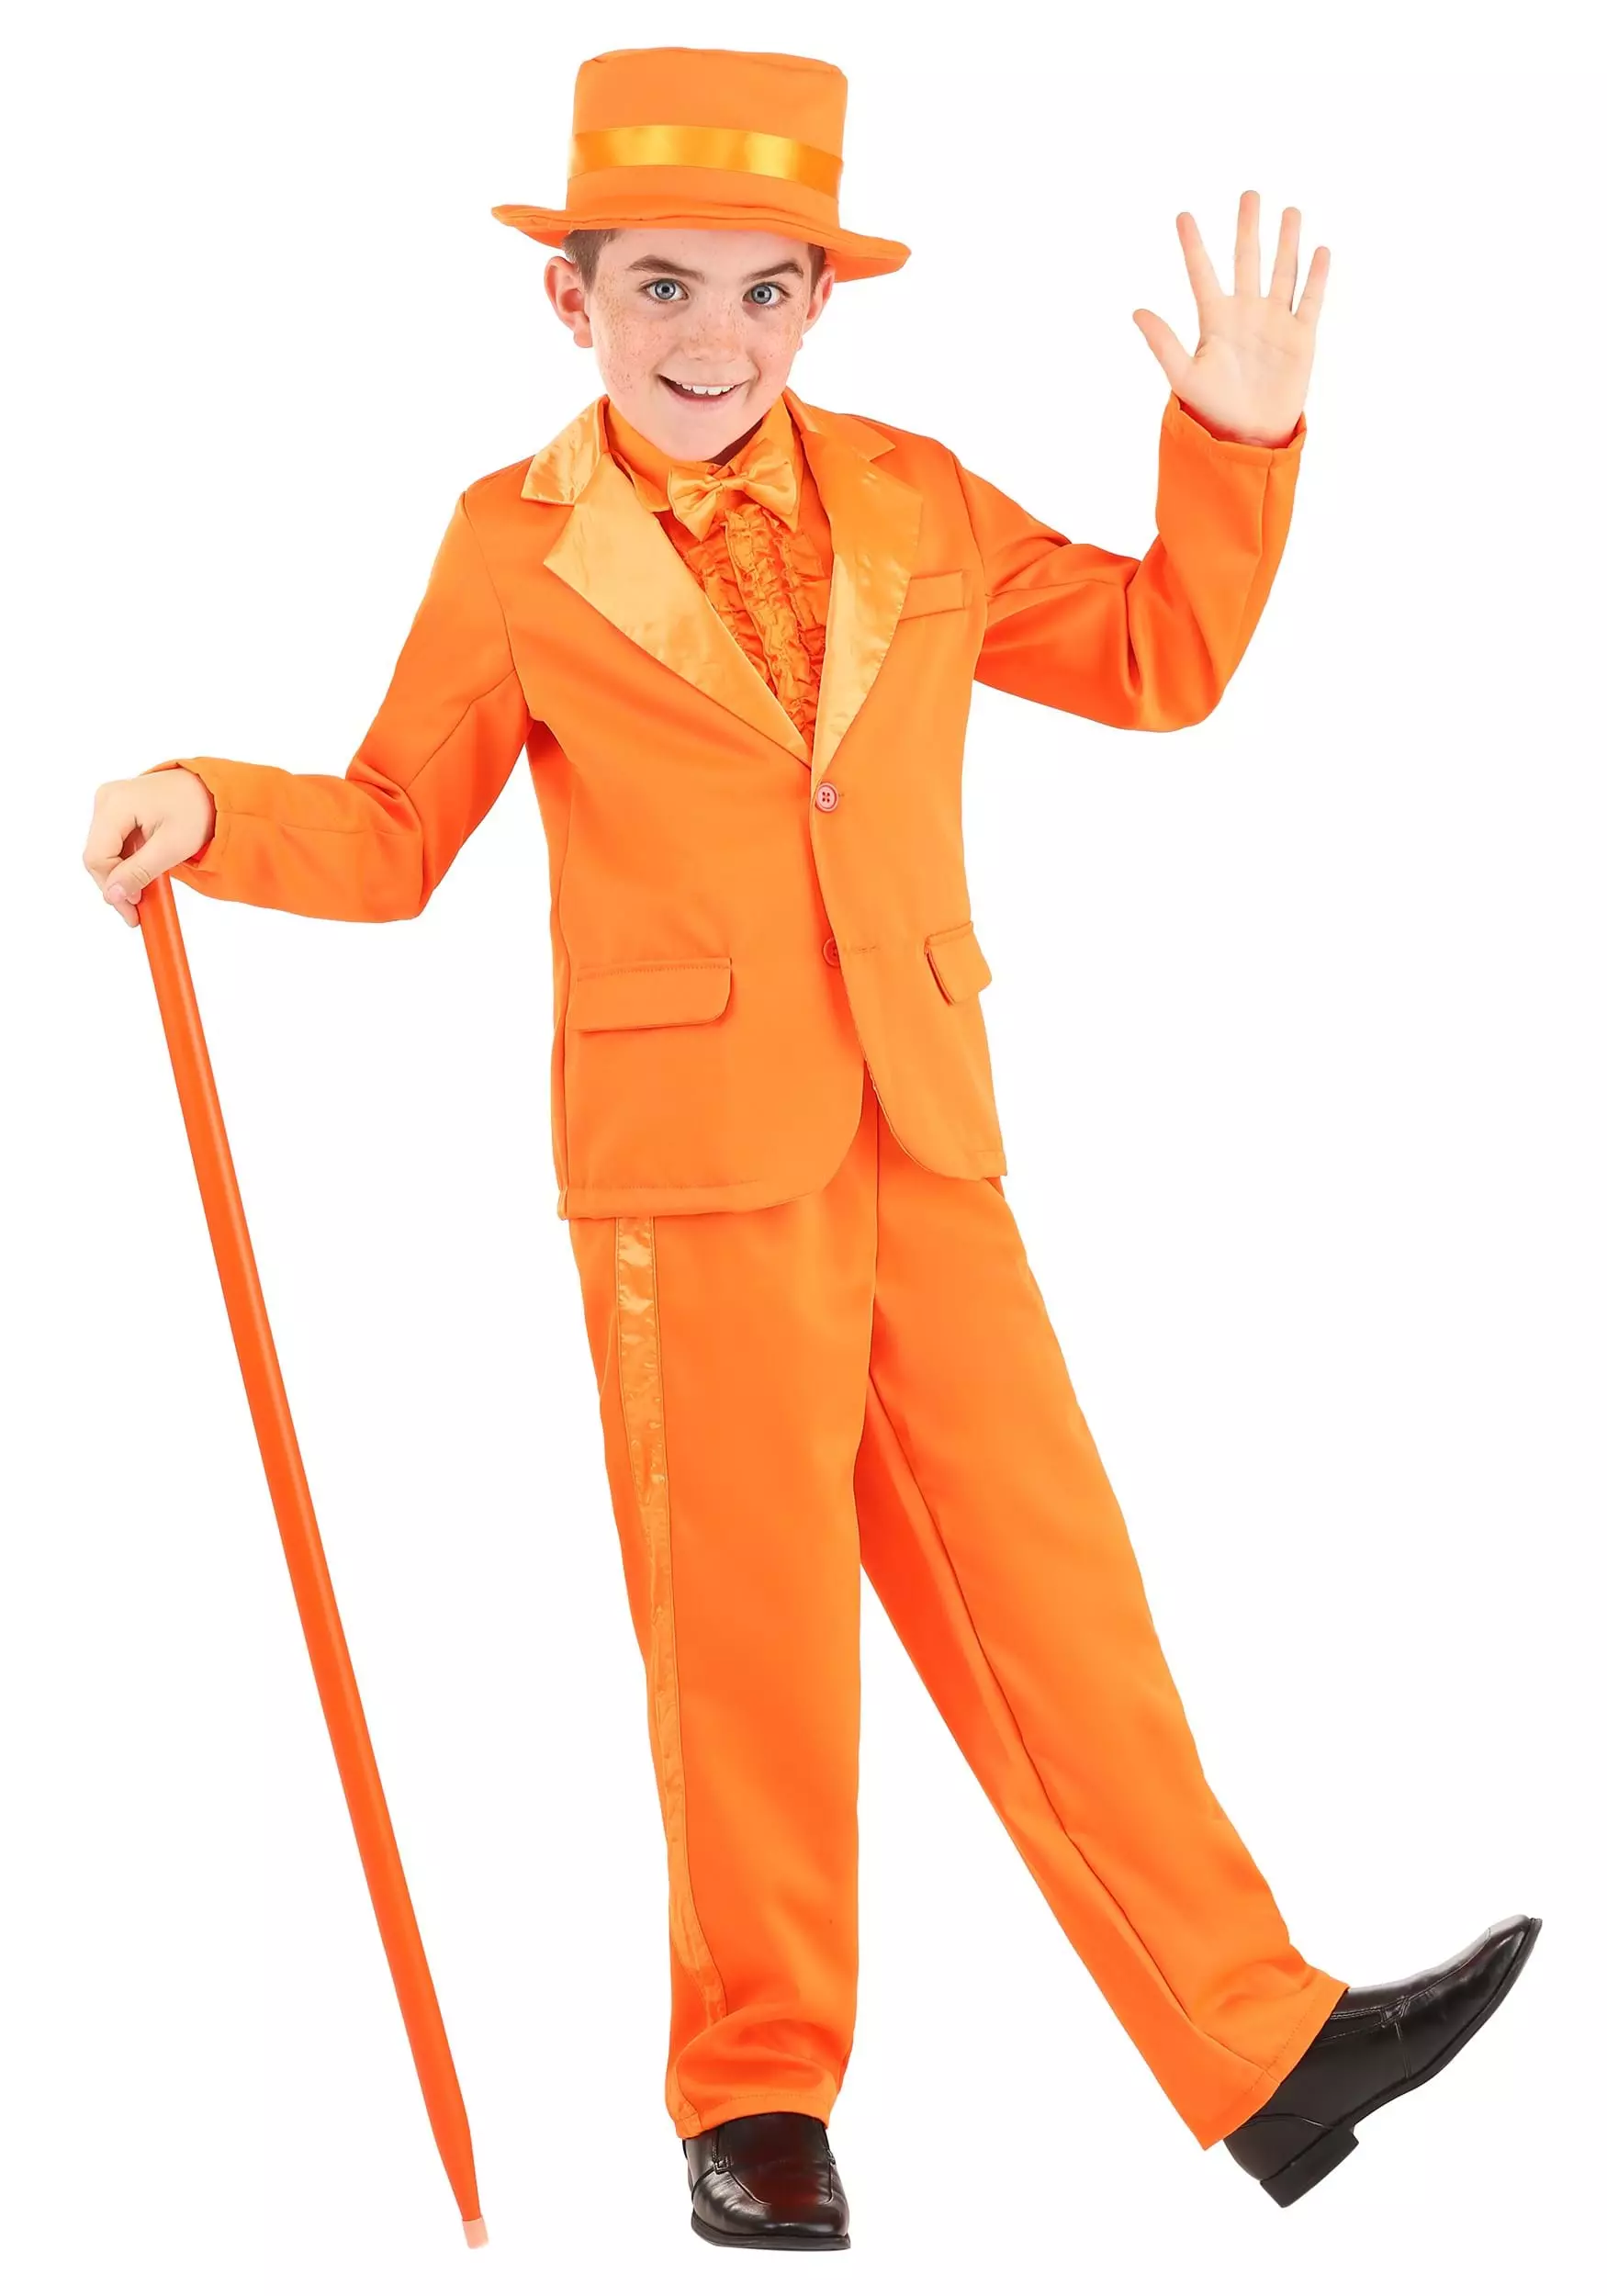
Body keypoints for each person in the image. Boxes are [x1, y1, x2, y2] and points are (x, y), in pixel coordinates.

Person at [82, 43, 1539, 2253]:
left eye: (764, 290)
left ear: (818, 304)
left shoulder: (915, 498)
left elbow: (1150, 654)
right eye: (659, 286)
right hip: (686, 1165)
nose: (713, 338)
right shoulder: (512, 546)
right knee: (747, 1635)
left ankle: (1256, 2040)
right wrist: (207, 801)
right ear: (568, 298)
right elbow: (390, 829)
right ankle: (754, 2088)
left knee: (1056, 1588)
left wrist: (1232, 449)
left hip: (920, 1123)